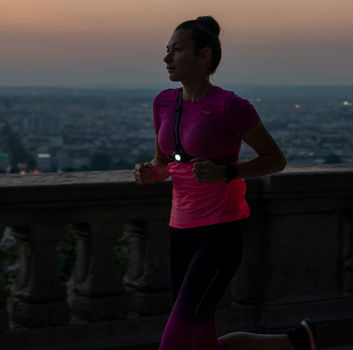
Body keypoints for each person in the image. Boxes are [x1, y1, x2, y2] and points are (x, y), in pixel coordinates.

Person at [133, 16, 318, 350]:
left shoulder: (230, 106)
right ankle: (296, 343)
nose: (166, 59)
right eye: (167, 50)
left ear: (204, 57)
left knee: (174, 343)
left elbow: (275, 158)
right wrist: (151, 172)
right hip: (180, 231)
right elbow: (167, 163)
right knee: (201, 345)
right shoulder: (164, 103)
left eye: (176, 50)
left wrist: (228, 173)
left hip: (219, 234)